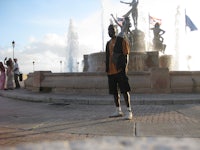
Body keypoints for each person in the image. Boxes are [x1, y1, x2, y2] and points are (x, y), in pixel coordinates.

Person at [105, 24, 133, 120]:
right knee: (114, 92)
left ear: (116, 30)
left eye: (112, 30)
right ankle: (118, 110)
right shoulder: (108, 43)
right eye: (109, 30)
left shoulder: (121, 40)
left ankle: (129, 111)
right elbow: (108, 56)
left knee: (124, 90)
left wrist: (124, 67)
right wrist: (107, 68)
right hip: (111, 72)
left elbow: (126, 55)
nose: (110, 32)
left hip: (120, 70)